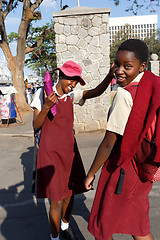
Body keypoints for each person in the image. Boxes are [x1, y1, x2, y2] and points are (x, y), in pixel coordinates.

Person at [84, 39, 160, 240]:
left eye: (127, 66)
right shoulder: (151, 85)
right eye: (117, 65)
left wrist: (91, 173)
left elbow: (110, 142)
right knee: (139, 226)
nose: (119, 71)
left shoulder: (124, 95)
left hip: (122, 168)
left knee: (102, 225)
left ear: (142, 66)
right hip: (143, 167)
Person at [30, 60, 114, 240]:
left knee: (70, 193)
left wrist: (109, 75)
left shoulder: (71, 96)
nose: (73, 84)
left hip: (69, 151)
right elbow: (36, 125)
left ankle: (65, 226)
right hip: (50, 154)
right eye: (71, 79)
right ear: (61, 76)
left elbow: (95, 92)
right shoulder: (42, 93)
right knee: (57, 199)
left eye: (76, 81)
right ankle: (55, 237)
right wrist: (46, 107)